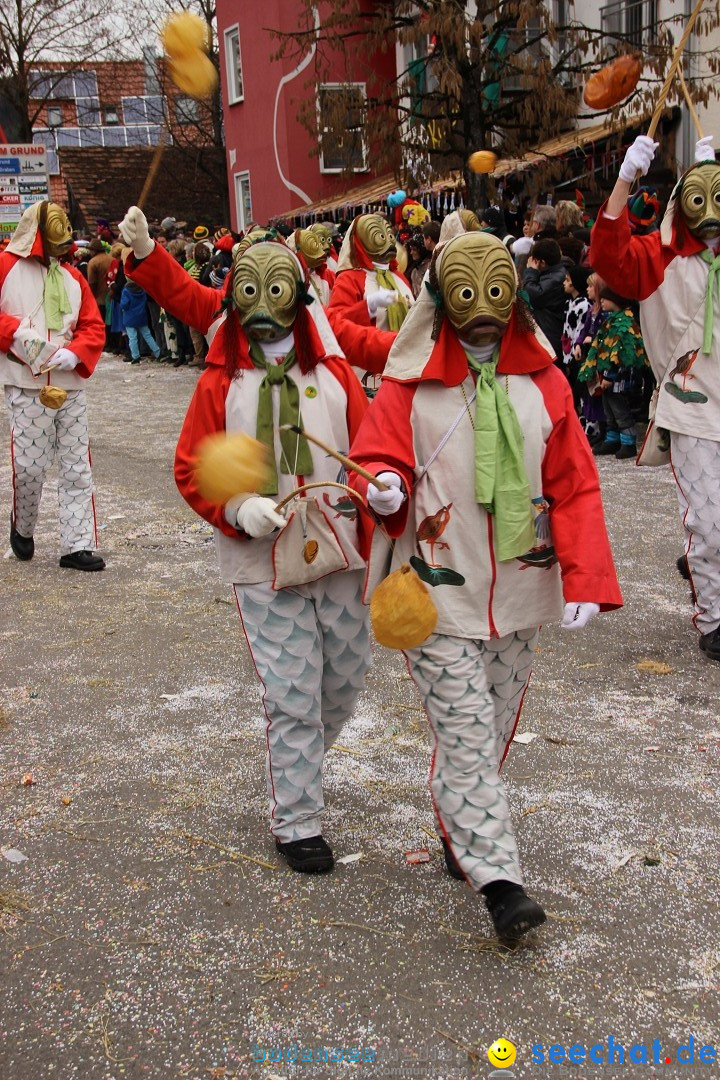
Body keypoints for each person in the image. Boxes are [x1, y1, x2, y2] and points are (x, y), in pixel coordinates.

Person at [348, 231, 622, 939]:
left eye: (496, 291)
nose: (482, 308)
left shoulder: (547, 384)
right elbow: (376, 460)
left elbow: (575, 484)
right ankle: (501, 883)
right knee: (466, 729)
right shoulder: (409, 386)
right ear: (441, 297)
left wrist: (586, 573)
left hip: (523, 591)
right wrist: (381, 490)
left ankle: (457, 824)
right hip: (438, 594)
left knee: (493, 722)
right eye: (465, 292)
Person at [119, 205, 372, 871]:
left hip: (341, 548)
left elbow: (376, 446)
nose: (263, 305)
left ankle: (304, 760)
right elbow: (188, 464)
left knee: (342, 682)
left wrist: (384, 485)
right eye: (248, 290)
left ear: (301, 293)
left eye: (278, 288)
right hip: (262, 557)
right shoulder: (220, 374)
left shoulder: (336, 370)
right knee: (293, 690)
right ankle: (298, 821)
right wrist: (237, 508)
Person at [590, 132, 720, 661]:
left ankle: (705, 570)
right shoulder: (658, 256)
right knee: (710, 526)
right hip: (692, 409)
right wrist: (625, 180)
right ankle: (714, 617)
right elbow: (606, 254)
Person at [0, 201, 106, 570]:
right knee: (29, 468)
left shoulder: (73, 278)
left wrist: (76, 353)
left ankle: (77, 544)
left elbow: (92, 325)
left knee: (77, 466)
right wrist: (14, 332)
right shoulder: (5, 267)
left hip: (69, 385)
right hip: (26, 383)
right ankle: (23, 525)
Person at [327, 213, 414, 377]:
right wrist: (369, 306)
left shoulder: (399, 277)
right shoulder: (349, 279)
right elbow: (336, 325)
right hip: (367, 374)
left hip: (404, 367)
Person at [577, 283, 648, 459]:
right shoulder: (611, 320)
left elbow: (621, 354)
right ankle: (612, 439)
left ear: (615, 301)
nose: (602, 302)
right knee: (609, 410)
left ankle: (628, 442)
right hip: (606, 376)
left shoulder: (624, 323)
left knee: (620, 411)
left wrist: (611, 375)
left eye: (605, 299)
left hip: (619, 378)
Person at [522, 238, 568, 365]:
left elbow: (534, 296)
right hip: (550, 330)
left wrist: (531, 271)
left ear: (542, 262)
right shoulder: (554, 273)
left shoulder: (556, 278)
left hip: (551, 335)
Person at [120, 275, 161, 364]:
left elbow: (124, 304)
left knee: (132, 338)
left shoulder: (126, 290)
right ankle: (158, 352)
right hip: (141, 316)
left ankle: (136, 356)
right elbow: (145, 300)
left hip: (129, 317)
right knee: (147, 335)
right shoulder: (142, 289)